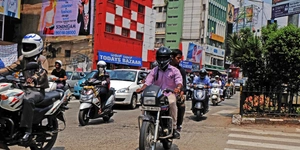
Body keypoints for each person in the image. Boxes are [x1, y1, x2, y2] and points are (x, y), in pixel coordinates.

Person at [0, 33, 49, 144]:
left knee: (27, 99)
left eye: (30, 46)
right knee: (7, 97)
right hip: (23, 88)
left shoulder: (42, 59)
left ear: (38, 46)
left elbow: (43, 72)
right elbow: (10, 68)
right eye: (26, 46)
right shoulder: (22, 58)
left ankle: (27, 131)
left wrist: (34, 78)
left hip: (37, 90)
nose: (27, 48)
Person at [136, 47, 182, 139]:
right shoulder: (155, 70)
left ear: (169, 58)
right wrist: (142, 88)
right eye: (160, 58)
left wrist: (178, 88)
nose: (162, 60)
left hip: (169, 94)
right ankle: (145, 125)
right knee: (145, 103)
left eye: (164, 58)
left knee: (172, 103)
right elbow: (148, 81)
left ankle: (174, 128)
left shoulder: (174, 70)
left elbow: (179, 81)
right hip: (156, 94)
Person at [170, 49, 186, 132]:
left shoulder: (181, 70)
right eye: (178, 58)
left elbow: (183, 84)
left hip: (176, 93)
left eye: (180, 58)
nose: (180, 60)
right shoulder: (164, 68)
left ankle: (178, 125)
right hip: (163, 92)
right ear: (172, 57)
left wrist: (181, 91)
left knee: (181, 105)